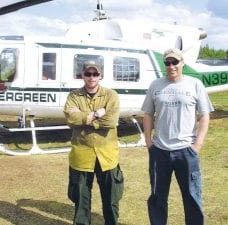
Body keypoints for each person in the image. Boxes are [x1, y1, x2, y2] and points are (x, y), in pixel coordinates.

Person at [141, 48, 214, 225]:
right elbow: (148, 115)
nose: (171, 66)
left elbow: (205, 115)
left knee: (192, 197)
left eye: (175, 62)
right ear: (164, 64)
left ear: (182, 63)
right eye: (168, 62)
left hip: (186, 152)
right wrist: (149, 142)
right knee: (158, 196)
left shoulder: (195, 84)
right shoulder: (155, 85)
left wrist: (197, 145)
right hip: (160, 151)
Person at [64, 60, 124, 225]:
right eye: (88, 74)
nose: (91, 77)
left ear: (101, 76)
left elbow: (111, 121)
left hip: (107, 156)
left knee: (111, 199)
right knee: (81, 199)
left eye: (95, 74)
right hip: (81, 155)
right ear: (82, 75)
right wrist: (97, 114)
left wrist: (84, 117)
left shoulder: (111, 95)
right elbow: (70, 118)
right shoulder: (73, 96)